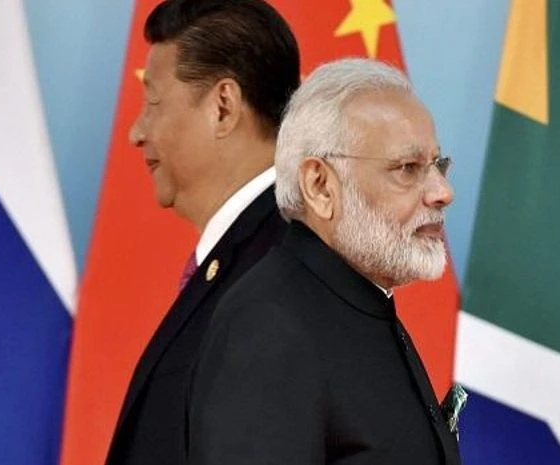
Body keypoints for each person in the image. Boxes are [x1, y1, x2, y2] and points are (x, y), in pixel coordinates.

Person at [186, 58, 461, 465]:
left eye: (437, 165)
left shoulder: (357, 303)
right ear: (319, 185)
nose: (442, 192)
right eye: (407, 168)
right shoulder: (267, 325)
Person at [105, 1, 300, 464]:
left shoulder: (275, 277)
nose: (136, 131)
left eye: (153, 102)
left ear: (224, 107)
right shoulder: (259, 257)